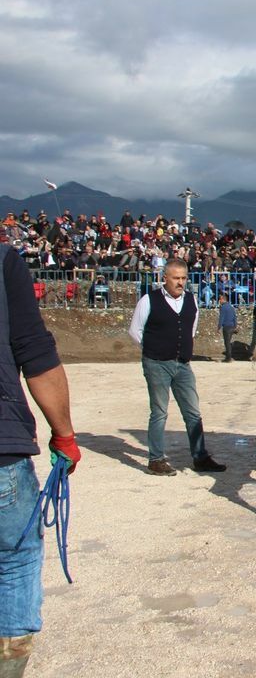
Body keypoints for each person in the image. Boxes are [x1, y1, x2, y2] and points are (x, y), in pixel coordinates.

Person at [0, 242, 80, 677]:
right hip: (1, 450)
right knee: (14, 558)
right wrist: (64, 435)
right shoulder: (3, 260)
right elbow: (34, 353)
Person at [128, 259, 226, 475]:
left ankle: (200, 457)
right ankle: (156, 459)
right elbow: (135, 331)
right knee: (159, 412)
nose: (180, 282)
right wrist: (154, 348)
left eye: (183, 278)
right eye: (176, 278)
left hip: (182, 364)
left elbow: (190, 330)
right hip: (156, 364)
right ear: (165, 278)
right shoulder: (148, 300)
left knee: (193, 412)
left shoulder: (191, 300)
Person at [218, 293, 236, 363]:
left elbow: (221, 318)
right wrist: (235, 326)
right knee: (228, 341)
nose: (219, 300)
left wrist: (219, 327)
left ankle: (228, 358)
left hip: (226, 327)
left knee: (227, 343)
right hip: (232, 326)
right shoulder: (231, 307)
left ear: (223, 299)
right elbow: (235, 317)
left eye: (220, 299)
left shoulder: (223, 307)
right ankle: (229, 357)